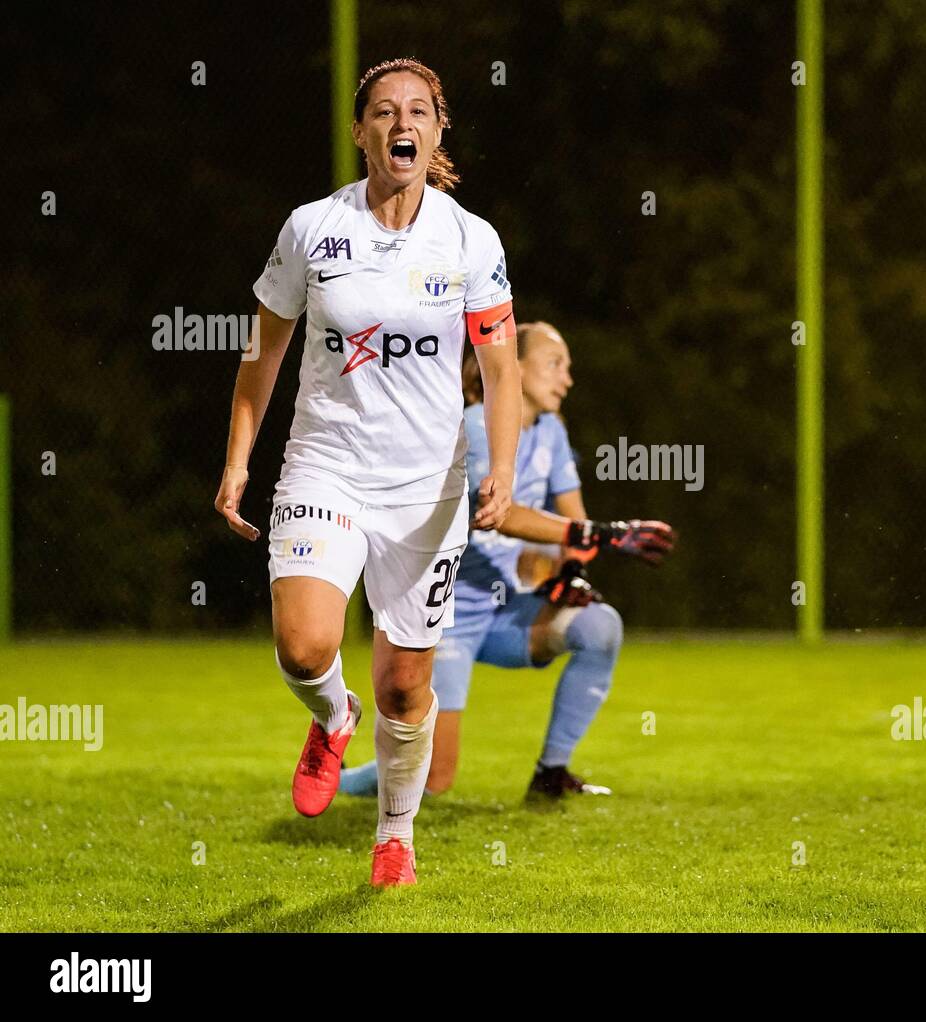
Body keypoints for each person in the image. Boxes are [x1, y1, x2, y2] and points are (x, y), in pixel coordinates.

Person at [215, 58, 521, 887]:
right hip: (327, 468)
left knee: (404, 686)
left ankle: (395, 836)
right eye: (383, 112)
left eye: (417, 111)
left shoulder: (470, 239)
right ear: (360, 132)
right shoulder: (312, 228)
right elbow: (262, 353)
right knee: (306, 643)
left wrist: (502, 467)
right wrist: (239, 458)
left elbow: (501, 368)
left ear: (437, 130)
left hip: (427, 491)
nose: (400, 124)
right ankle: (329, 713)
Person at [339, 322, 675, 801]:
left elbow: (572, 525)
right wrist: (601, 534)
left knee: (599, 626)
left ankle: (550, 775)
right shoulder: (475, 426)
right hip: (447, 614)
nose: (567, 379)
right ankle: (343, 781)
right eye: (555, 365)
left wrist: (572, 572)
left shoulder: (551, 431)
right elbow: (501, 515)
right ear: (513, 370)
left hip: (507, 612)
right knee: (434, 779)